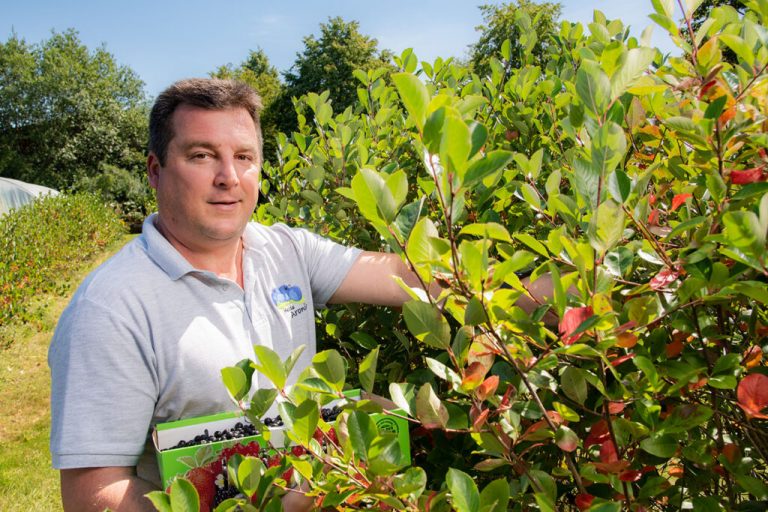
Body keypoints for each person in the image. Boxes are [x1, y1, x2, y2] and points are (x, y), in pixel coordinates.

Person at [48, 78, 553, 511]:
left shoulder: (284, 248)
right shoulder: (112, 308)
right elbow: (94, 493)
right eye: (201, 155)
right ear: (156, 170)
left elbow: (408, 276)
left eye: (244, 157)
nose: (228, 177)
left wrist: (560, 293)